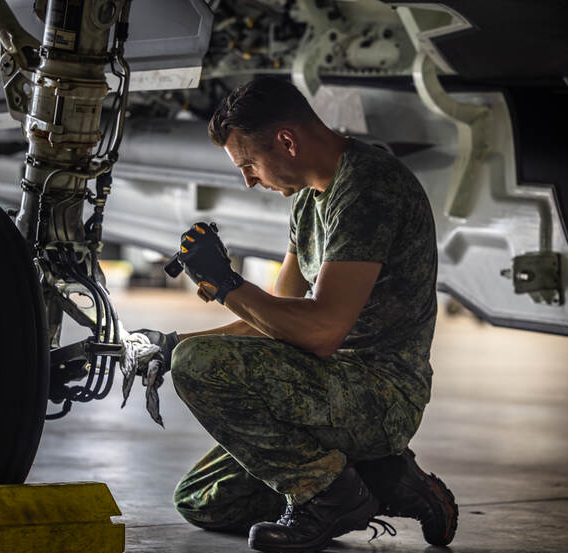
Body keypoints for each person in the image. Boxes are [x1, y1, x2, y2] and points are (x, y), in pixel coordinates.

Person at [136, 76, 457, 552]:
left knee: (199, 367)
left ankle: (330, 494)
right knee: (203, 501)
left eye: (249, 164)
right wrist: (175, 342)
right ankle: (385, 477)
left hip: (379, 395)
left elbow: (323, 330)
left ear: (286, 140)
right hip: (322, 387)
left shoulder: (369, 189)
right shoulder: (308, 201)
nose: (247, 179)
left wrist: (226, 285)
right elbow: (272, 321)